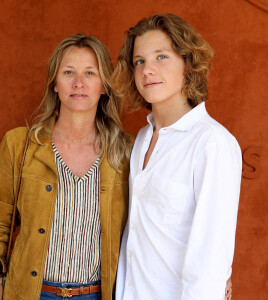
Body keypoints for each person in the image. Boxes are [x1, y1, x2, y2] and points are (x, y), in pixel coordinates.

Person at [0, 34, 132, 300]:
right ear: (54, 83)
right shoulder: (20, 144)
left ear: (104, 86)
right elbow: (0, 221)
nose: (78, 83)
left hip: (96, 294)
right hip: (30, 292)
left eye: (90, 73)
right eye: (68, 72)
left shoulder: (126, 152)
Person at [112, 14, 241, 300]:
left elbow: (212, 255)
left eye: (161, 57)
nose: (148, 70)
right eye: (140, 61)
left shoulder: (212, 143)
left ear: (188, 64)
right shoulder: (142, 140)